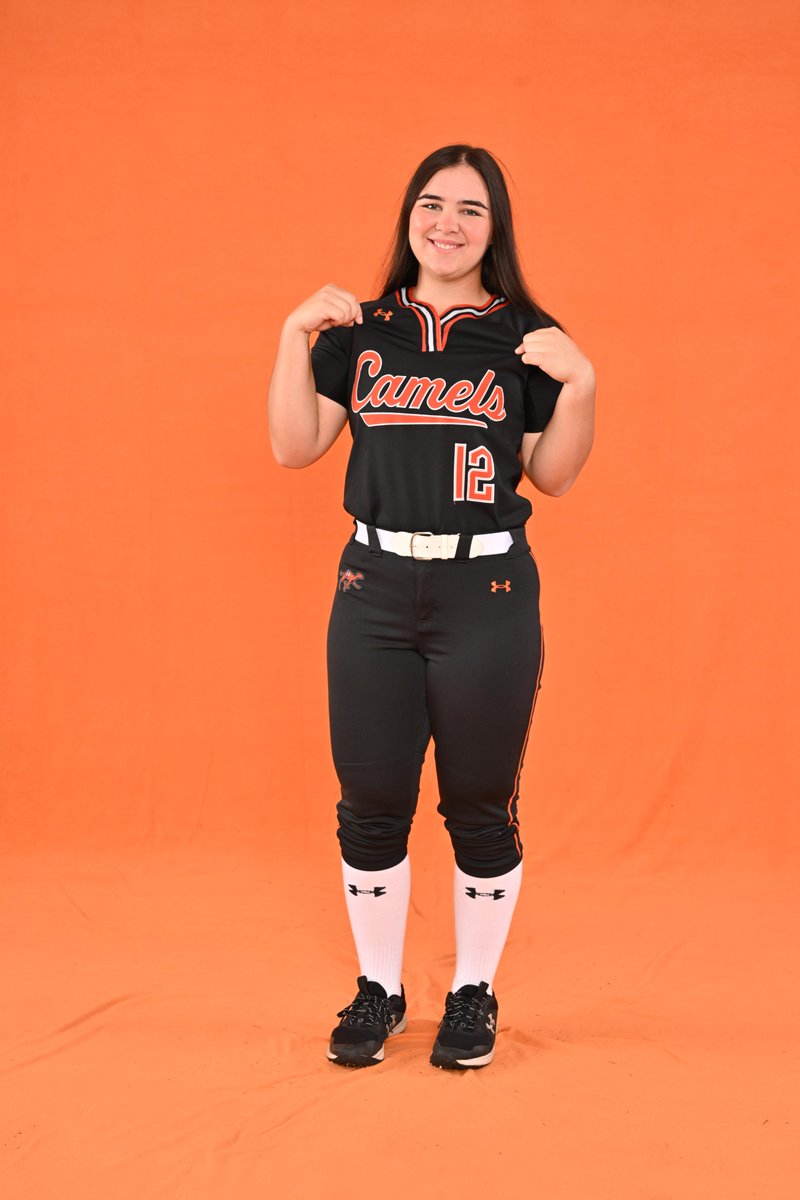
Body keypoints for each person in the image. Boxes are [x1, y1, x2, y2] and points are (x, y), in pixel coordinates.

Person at [267, 144, 595, 1070]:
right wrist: (291, 334)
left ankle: (473, 992)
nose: (447, 224)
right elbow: (294, 446)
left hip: (485, 591)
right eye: (431, 204)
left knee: (479, 804)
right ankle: (379, 989)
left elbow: (556, 476)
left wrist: (583, 383)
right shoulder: (360, 331)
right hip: (372, 586)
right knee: (370, 803)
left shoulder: (525, 337)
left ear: (496, 230)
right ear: (409, 215)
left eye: (470, 210)